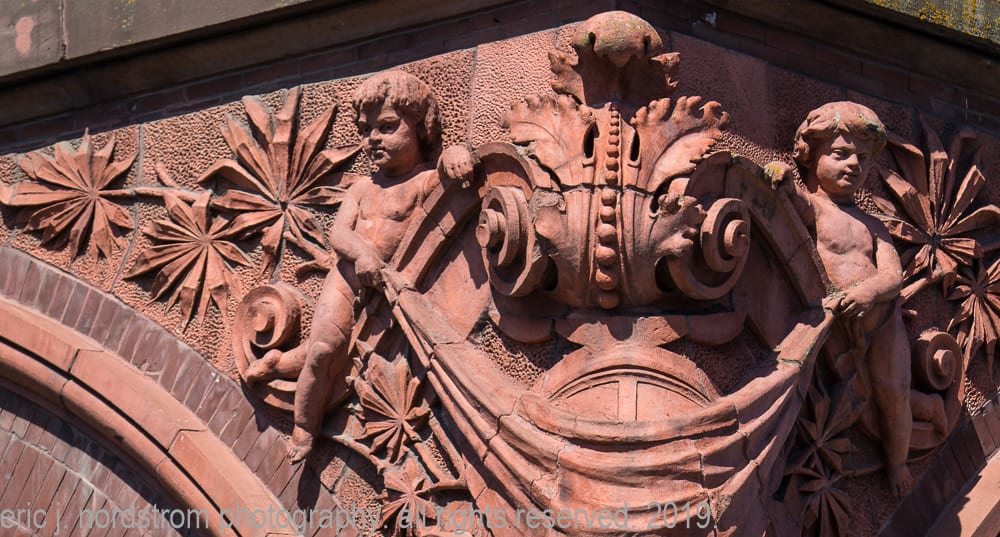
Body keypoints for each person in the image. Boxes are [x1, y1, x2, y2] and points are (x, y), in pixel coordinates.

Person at [245, 70, 477, 462]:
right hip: (347, 279)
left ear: (421, 128)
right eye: (366, 131)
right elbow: (339, 234)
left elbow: (449, 179)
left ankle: (276, 363)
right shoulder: (361, 188)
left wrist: (456, 155)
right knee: (323, 351)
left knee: (327, 352)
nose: (374, 140)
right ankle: (305, 427)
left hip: (385, 293)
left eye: (387, 127)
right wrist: (363, 256)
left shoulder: (423, 183)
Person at [785, 101, 914, 498]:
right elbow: (789, 200)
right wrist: (778, 177)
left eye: (863, 158)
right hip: (829, 326)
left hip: (881, 323)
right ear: (811, 154)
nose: (854, 164)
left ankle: (897, 462)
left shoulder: (873, 225)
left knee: (894, 391)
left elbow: (893, 275)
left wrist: (868, 292)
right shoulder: (814, 207)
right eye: (841, 154)